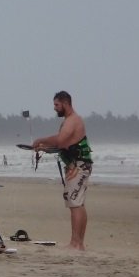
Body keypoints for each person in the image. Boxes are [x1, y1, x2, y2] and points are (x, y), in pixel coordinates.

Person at [31, 90, 92, 250]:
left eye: (56, 105)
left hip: (78, 166)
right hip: (77, 164)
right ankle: (79, 243)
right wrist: (43, 147)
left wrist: (40, 140)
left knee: (74, 203)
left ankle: (75, 243)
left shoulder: (72, 120)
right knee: (78, 203)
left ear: (65, 103)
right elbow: (63, 144)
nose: (54, 108)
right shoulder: (69, 121)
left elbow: (60, 140)